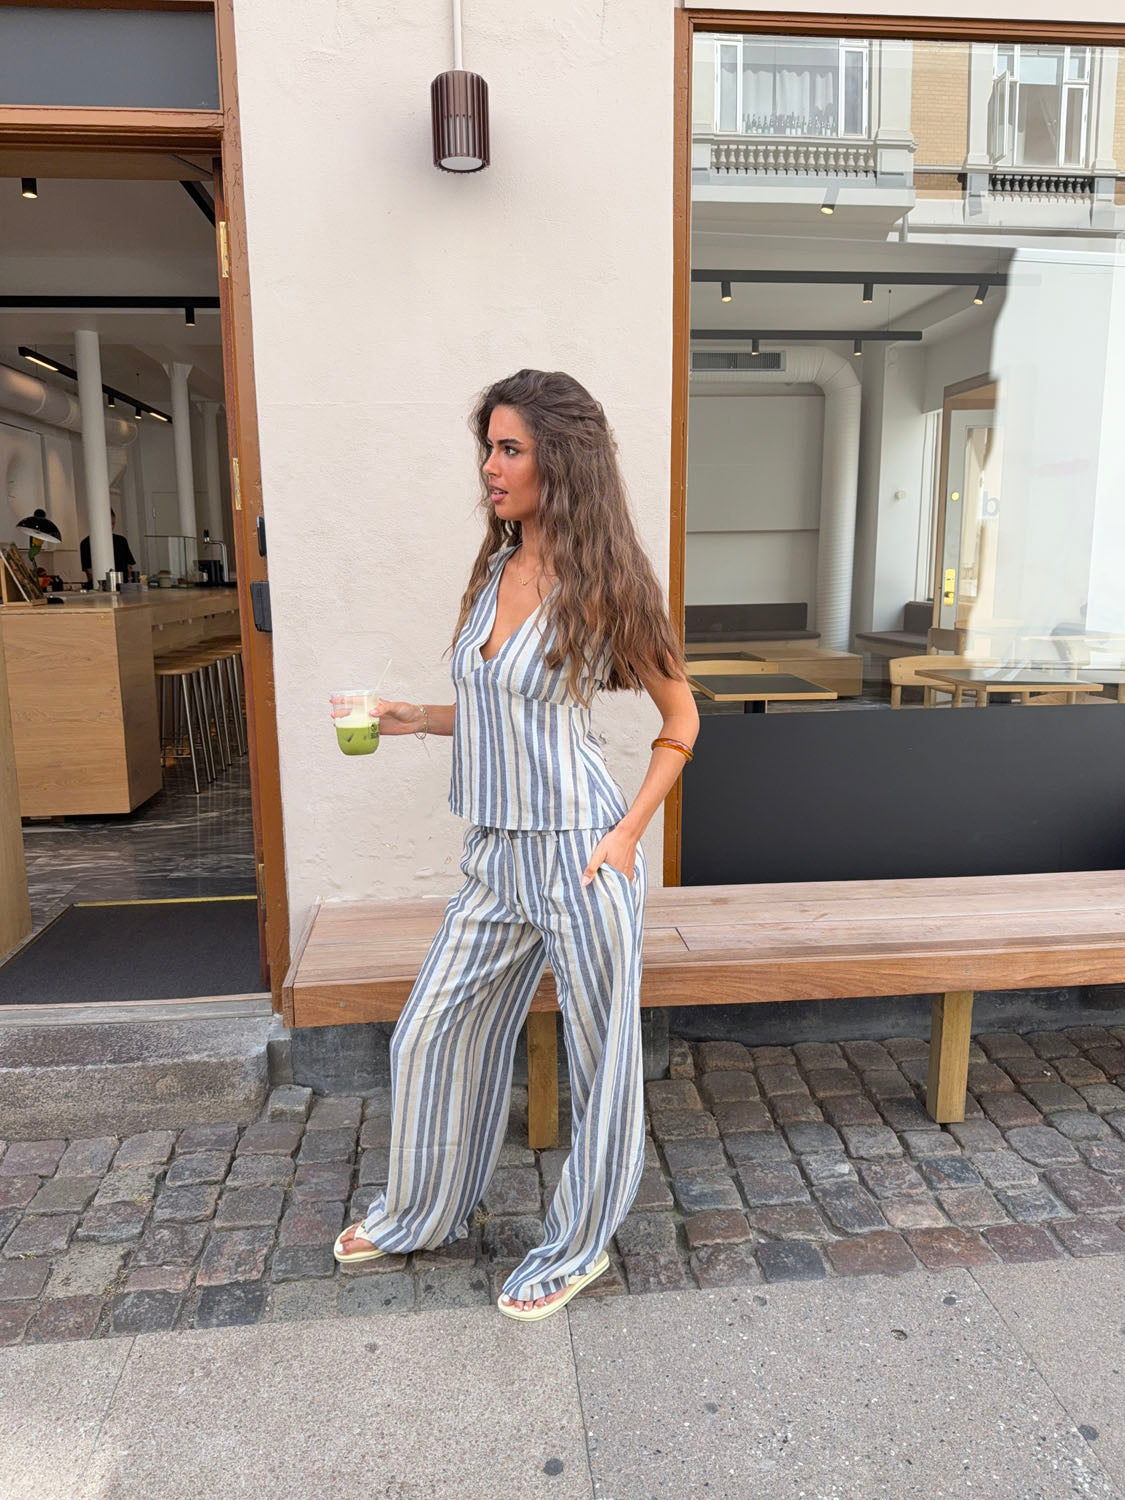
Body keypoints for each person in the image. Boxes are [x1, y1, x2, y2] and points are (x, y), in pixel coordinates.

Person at [331, 369, 699, 1321]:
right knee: (430, 1031)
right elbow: (503, 708)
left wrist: (626, 835)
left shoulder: (605, 584)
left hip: (580, 851)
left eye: (509, 449)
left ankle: (579, 1247)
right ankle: (421, 1211)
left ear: (559, 461)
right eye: (487, 448)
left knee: (600, 1064)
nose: (489, 468)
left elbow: (681, 720)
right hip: (496, 856)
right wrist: (415, 717)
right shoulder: (495, 572)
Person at [80, 508, 135, 587]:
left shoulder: (121, 541)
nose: (111, 527)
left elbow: (129, 566)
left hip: (123, 586)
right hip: (100, 587)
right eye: (108, 524)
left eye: (113, 524)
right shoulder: (86, 543)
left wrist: (130, 584)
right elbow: (89, 571)